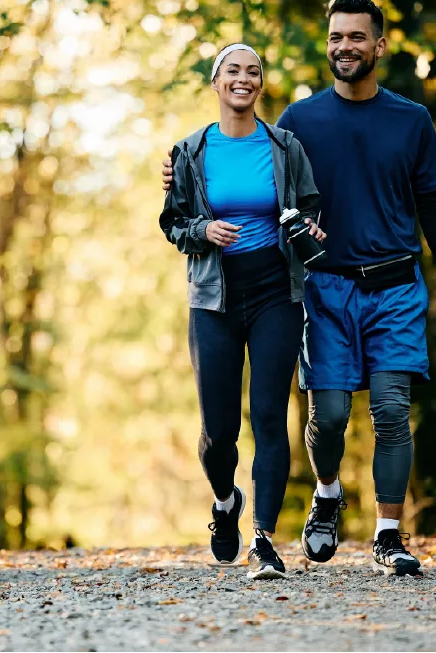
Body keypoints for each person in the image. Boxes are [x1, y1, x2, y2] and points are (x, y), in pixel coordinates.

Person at [162, 0, 436, 576]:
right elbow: (249, 164)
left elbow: (433, 204)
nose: (345, 47)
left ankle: (388, 535)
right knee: (327, 415)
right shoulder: (297, 124)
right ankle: (326, 493)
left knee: (390, 410)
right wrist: (178, 171)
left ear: (379, 46)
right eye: (336, 37)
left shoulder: (412, 120)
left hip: (395, 284)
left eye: (357, 37)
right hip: (324, 288)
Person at [159, 43, 327, 580]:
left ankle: (263, 540)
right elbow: (172, 223)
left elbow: (309, 204)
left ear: (261, 84)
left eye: (254, 71)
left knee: (269, 421)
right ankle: (226, 500)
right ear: (216, 81)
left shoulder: (284, 145)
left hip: (276, 291)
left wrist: (308, 228)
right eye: (234, 70)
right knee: (218, 432)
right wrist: (203, 231)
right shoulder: (189, 151)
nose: (244, 79)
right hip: (214, 297)